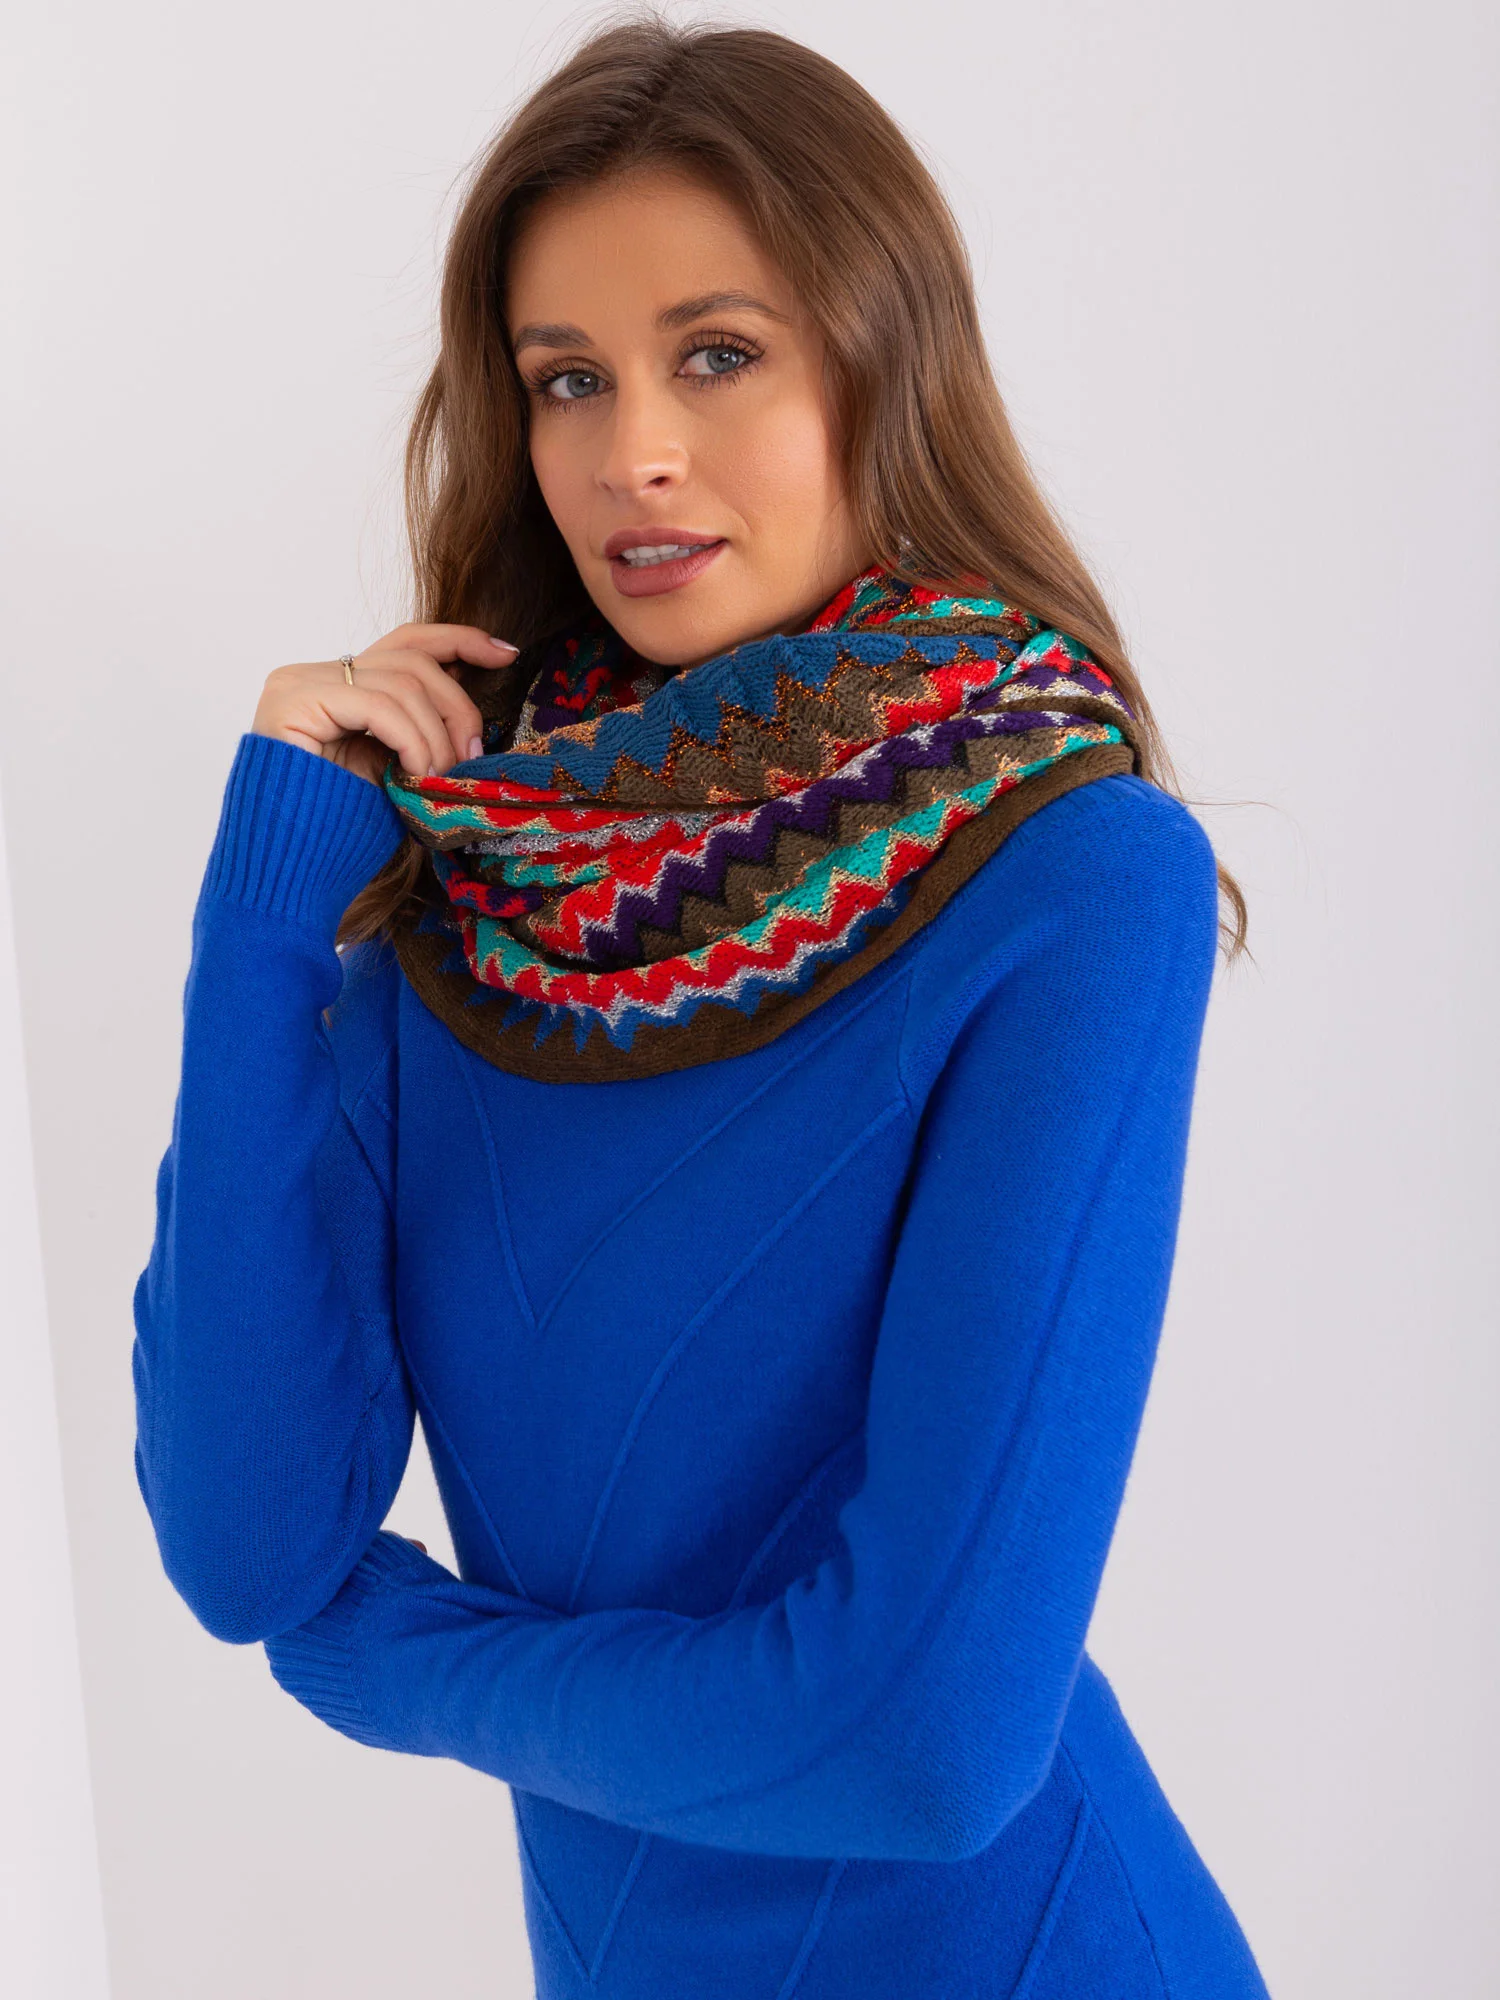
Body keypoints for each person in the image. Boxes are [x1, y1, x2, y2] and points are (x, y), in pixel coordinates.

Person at [132, 18, 1272, 1998]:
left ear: (880, 359)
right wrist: (269, 909)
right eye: (567, 378)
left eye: (717, 354)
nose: (630, 452)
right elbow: (249, 1547)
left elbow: (926, 1741)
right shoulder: (478, 901)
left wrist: (403, 1664)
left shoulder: (1074, 877)